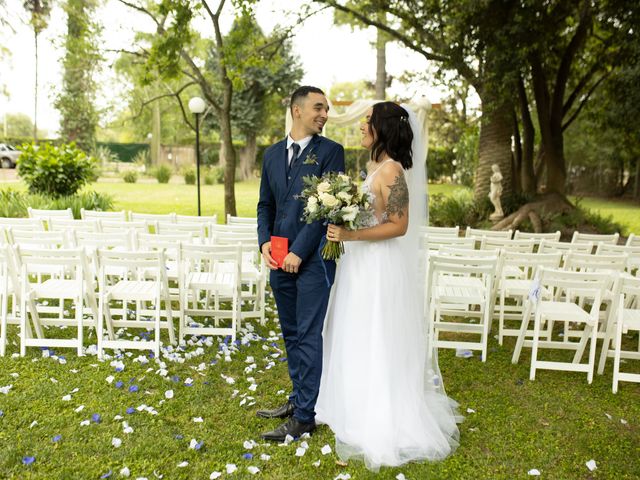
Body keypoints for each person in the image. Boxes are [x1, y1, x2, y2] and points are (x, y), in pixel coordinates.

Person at [315, 101, 462, 471]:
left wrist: (350, 232)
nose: (362, 127)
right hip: (360, 264)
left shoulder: (393, 170)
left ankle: (380, 412)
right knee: (355, 331)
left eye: (368, 122)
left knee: (376, 331)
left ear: (383, 129)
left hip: (379, 267)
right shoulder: (374, 166)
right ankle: (353, 401)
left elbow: (399, 225)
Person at [256, 86, 345, 441]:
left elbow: (328, 209)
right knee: (290, 332)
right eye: (318, 108)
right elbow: (265, 204)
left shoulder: (331, 152)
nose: (324, 114)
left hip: (314, 261)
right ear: (297, 110)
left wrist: (300, 252)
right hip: (278, 258)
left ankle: (306, 416)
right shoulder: (272, 154)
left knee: (308, 334)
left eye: (326, 109)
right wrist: (264, 241)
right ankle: (298, 398)